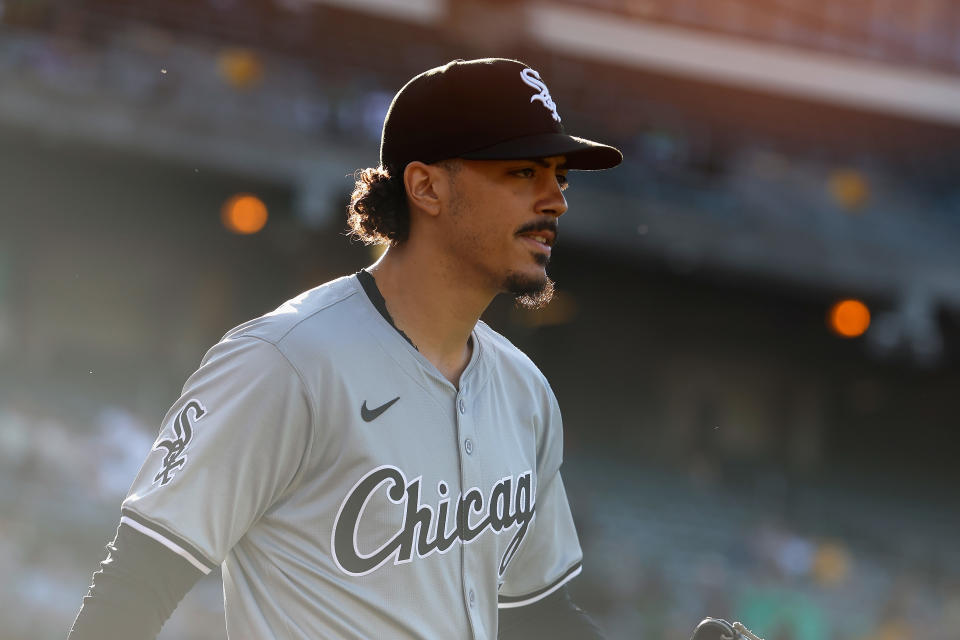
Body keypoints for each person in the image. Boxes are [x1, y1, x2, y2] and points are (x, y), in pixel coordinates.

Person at [69, 57, 622, 639]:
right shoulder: (285, 361)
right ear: (426, 186)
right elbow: (133, 588)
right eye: (523, 173)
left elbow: (535, 618)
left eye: (559, 175)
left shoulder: (525, 393)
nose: (555, 199)